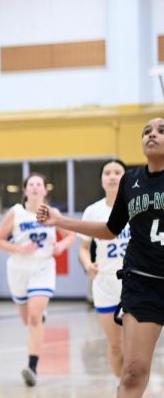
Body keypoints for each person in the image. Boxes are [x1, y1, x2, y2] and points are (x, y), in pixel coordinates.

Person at [38, 122, 164, 398]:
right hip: (142, 282)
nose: (151, 134)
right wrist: (62, 221)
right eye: (146, 130)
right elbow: (111, 229)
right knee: (133, 370)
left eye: (160, 129)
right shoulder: (132, 181)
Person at [0, 174, 75, 387]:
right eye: (31, 184)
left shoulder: (52, 212)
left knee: (34, 317)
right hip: (19, 268)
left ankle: (32, 367)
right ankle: (38, 315)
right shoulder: (16, 212)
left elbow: (70, 235)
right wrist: (18, 248)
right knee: (27, 319)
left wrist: (61, 246)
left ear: (45, 190)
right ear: (25, 190)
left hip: (43, 266)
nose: (36, 187)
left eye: (39, 184)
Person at [77, 159, 129, 378]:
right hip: (105, 282)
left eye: (117, 172)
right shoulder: (93, 211)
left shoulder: (137, 207)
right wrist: (88, 264)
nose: (112, 176)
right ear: (101, 179)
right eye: (107, 172)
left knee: (133, 344)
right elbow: (83, 247)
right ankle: (122, 385)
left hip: (133, 282)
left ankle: (132, 386)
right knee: (115, 344)